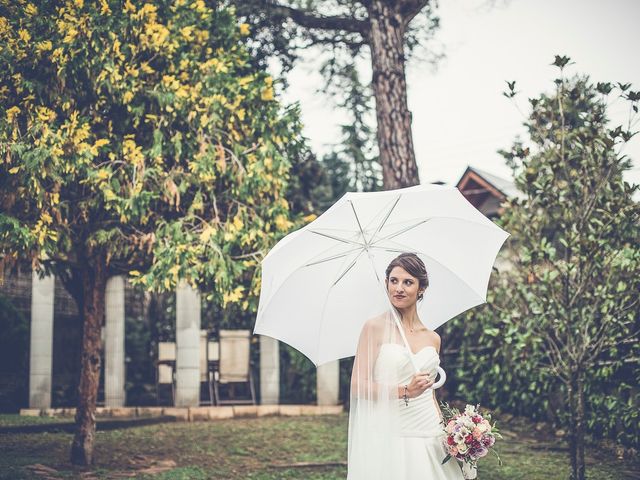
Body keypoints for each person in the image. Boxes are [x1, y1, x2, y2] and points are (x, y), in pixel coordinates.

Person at [347, 252, 464, 480]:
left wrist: (450, 433)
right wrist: (406, 391)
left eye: (408, 282)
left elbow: (430, 394)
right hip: (393, 430)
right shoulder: (374, 327)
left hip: (429, 428)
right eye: (394, 281)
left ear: (421, 288)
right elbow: (357, 386)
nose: (398, 288)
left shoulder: (433, 338)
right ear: (386, 283)